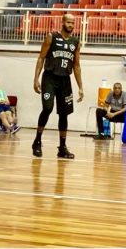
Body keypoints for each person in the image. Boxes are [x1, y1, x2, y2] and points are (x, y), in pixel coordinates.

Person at [32, 13, 84, 159]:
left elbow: (77, 65)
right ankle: (37, 141)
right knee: (47, 108)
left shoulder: (75, 42)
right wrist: (36, 79)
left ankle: (62, 148)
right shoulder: (52, 37)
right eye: (68, 22)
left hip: (65, 80)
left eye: (73, 23)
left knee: (64, 113)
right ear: (62, 22)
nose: (71, 25)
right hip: (50, 78)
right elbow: (41, 58)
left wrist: (80, 87)